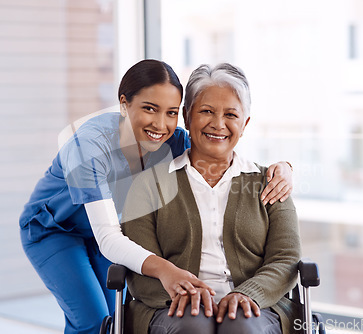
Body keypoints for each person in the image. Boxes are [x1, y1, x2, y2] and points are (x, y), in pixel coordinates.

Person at [19, 59, 293, 334]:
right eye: (149, 109)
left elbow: (218, 147)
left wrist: (284, 169)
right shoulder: (89, 146)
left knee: (115, 318)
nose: (161, 124)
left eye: (171, 112)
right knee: (92, 320)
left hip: (113, 229)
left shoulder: (171, 139)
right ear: (124, 104)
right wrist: (166, 270)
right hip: (55, 230)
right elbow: (108, 239)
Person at [121, 63, 301, 334]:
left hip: (258, 308)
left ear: (245, 124)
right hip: (171, 307)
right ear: (186, 117)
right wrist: (185, 294)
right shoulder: (148, 185)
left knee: (241, 325)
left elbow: (286, 258)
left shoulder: (272, 183)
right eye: (206, 111)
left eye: (231, 114)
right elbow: (139, 262)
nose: (218, 124)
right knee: (193, 325)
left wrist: (249, 294)